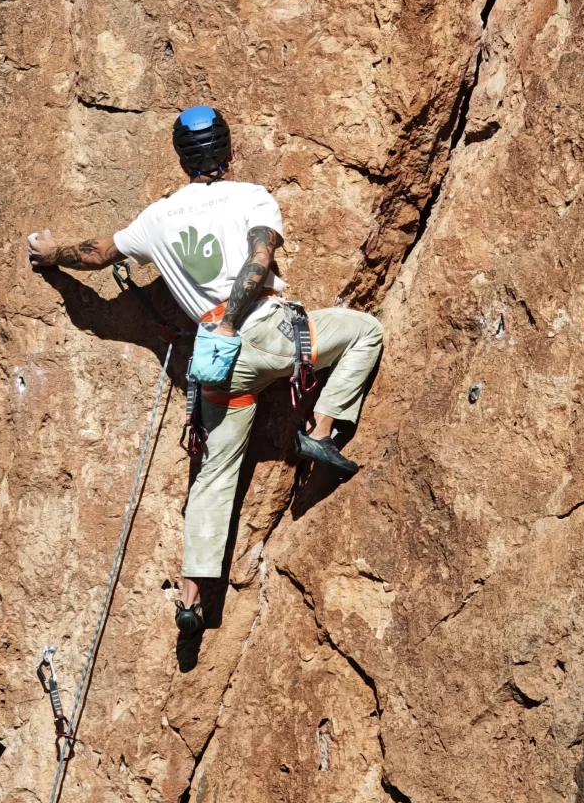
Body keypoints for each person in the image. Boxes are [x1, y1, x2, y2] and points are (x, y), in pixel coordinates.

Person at [27, 106, 383, 636]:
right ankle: (322, 431)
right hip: (269, 335)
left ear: (180, 158)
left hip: (219, 365)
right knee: (364, 330)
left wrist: (50, 253)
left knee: (214, 476)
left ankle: (191, 599)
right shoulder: (250, 197)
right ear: (229, 150)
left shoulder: (157, 219)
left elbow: (99, 254)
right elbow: (259, 259)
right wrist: (235, 319)